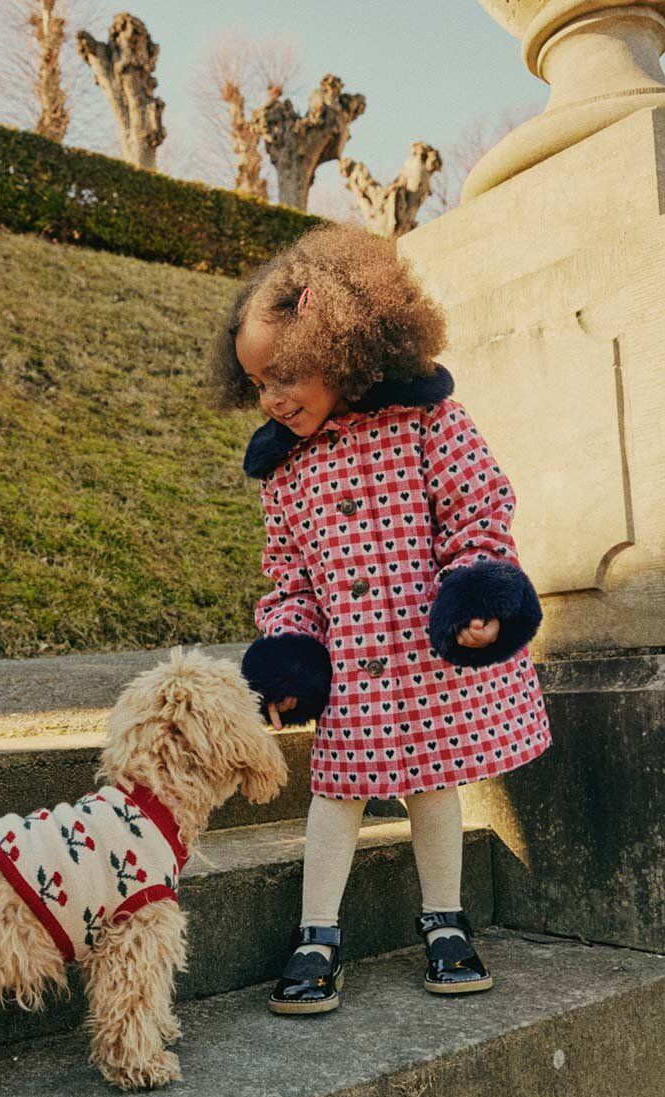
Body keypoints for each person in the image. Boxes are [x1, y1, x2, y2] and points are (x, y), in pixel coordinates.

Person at [210, 225, 551, 1015]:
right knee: (336, 793)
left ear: (348, 347)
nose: (273, 398)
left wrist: (473, 598)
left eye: (287, 374)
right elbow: (289, 575)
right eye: (258, 382)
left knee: (434, 786)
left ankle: (444, 924)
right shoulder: (285, 470)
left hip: (428, 658)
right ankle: (316, 935)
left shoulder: (427, 422)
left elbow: (477, 514)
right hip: (354, 665)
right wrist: (290, 650)